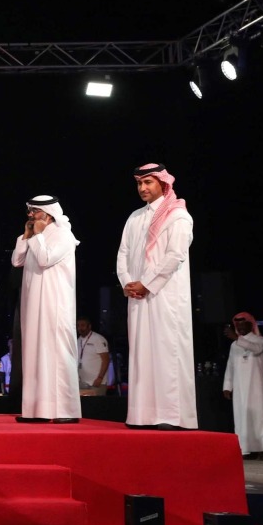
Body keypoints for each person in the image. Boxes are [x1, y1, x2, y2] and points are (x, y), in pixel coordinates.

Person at [116, 162, 196, 430]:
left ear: (163, 184)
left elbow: (175, 255)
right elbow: (123, 254)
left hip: (165, 296)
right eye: (139, 183)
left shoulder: (178, 216)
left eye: (148, 182)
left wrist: (147, 284)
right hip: (138, 296)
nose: (142, 188)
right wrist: (128, 282)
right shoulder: (135, 217)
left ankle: (172, 416)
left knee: (166, 353)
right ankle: (142, 416)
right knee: (141, 353)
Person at [10, 195, 81, 424]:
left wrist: (38, 235)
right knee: (34, 353)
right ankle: (36, 410)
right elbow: (16, 261)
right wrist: (27, 235)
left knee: (58, 353)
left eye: (34, 211)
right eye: (29, 211)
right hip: (33, 305)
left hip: (55, 304)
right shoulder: (34, 236)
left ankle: (65, 411)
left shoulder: (63, 235)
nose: (30, 215)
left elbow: (44, 259)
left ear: (47, 214)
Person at [223, 312, 263, 458]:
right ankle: (245, 449)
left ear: (250, 324)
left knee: (259, 416)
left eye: (243, 324)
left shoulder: (260, 340)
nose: (240, 328)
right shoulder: (234, 345)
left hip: (256, 387)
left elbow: (256, 349)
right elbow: (230, 367)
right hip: (240, 388)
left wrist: (237, 338)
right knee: (241, 417)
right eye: (237, 325)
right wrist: (227, 386)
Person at [77, 317, 110, 396]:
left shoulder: (98, 339)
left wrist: (100, 378)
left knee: (95, 406)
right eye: (78, 326)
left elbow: (106, 360)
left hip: (96, 383)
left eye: (83, 325)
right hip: (82, 383)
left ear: (89, 326)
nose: (80, 328)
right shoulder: (79, 340)